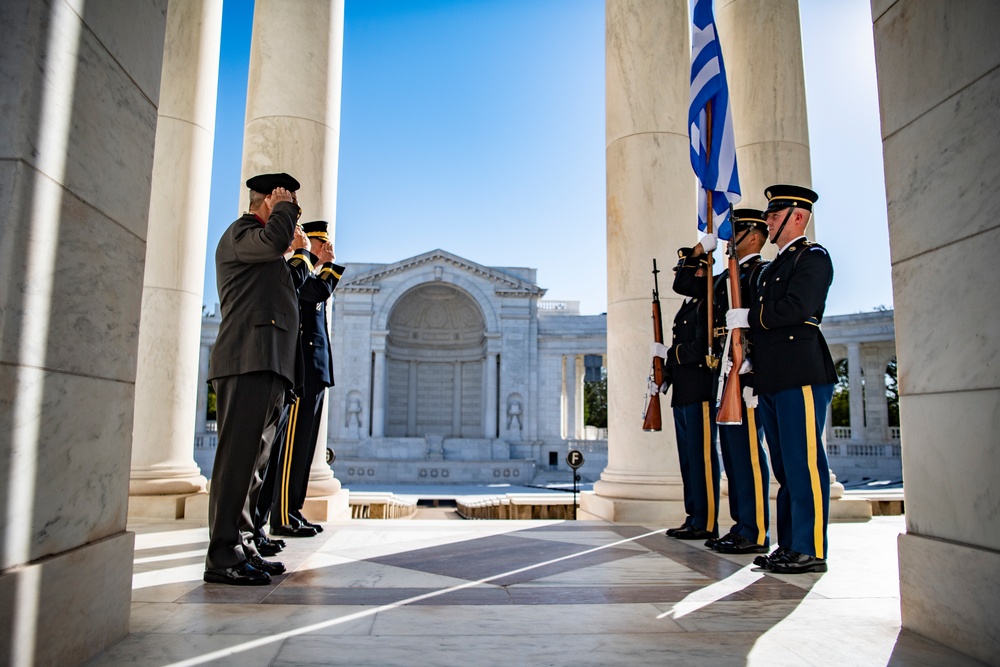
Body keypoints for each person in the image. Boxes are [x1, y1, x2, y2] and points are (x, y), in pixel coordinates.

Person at [204, 172, 310, 586]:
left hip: (268, 364)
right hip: (246, 360)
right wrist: (283, 210)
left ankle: (244, 546)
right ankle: (222, 557)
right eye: (288, 205)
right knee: (237, 465)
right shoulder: (243, 233)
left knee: (254, 467)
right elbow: (273, 242)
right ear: (267, 200)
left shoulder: (268, 255)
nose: (294, 215)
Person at [726, 184, 837, 574]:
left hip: (801, 371)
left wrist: (750, 318)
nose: (768, 221)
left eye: (775, 215)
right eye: (771, 215)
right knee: (785, 468)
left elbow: (797, 307)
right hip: (773, 376)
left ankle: (810, 548)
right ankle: (790, 544)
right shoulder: (771, 268)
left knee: (804, 464)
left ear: (799, 217)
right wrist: (751, 368)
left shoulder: (813, 258)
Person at [676, 210, 772, 555]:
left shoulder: (762, 273)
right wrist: (701, 250)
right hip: (724, 373)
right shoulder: (720, 280)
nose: (729, 238)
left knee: (747, 453)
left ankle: (756, 530)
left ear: (754, 236)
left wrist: (752, 368)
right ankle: (741, 525)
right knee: (732, 455)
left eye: (735, 233)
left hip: (746, 371)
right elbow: (685, 284)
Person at [268, 220, 343, 537]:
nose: (327, 250)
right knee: (292, 449)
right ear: (309, 245)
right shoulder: (298, 274)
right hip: (302, 370)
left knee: (306, 447)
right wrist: (325, 265)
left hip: (316, 370)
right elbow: (315, 293)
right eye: (321, 245)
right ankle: (282, 514)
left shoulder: (308, 273)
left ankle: (293, 509)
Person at [651, 246, 720, 541]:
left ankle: (707, 521)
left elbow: (704, 349)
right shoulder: (690, 304)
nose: (678, 277)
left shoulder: (708, 303)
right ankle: (694, 516)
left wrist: (670, 353)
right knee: (688, 459)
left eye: (683, 270)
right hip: (683, 392)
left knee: (702, 458)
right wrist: (664, 373)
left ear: (701, 271)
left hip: (700, 390)